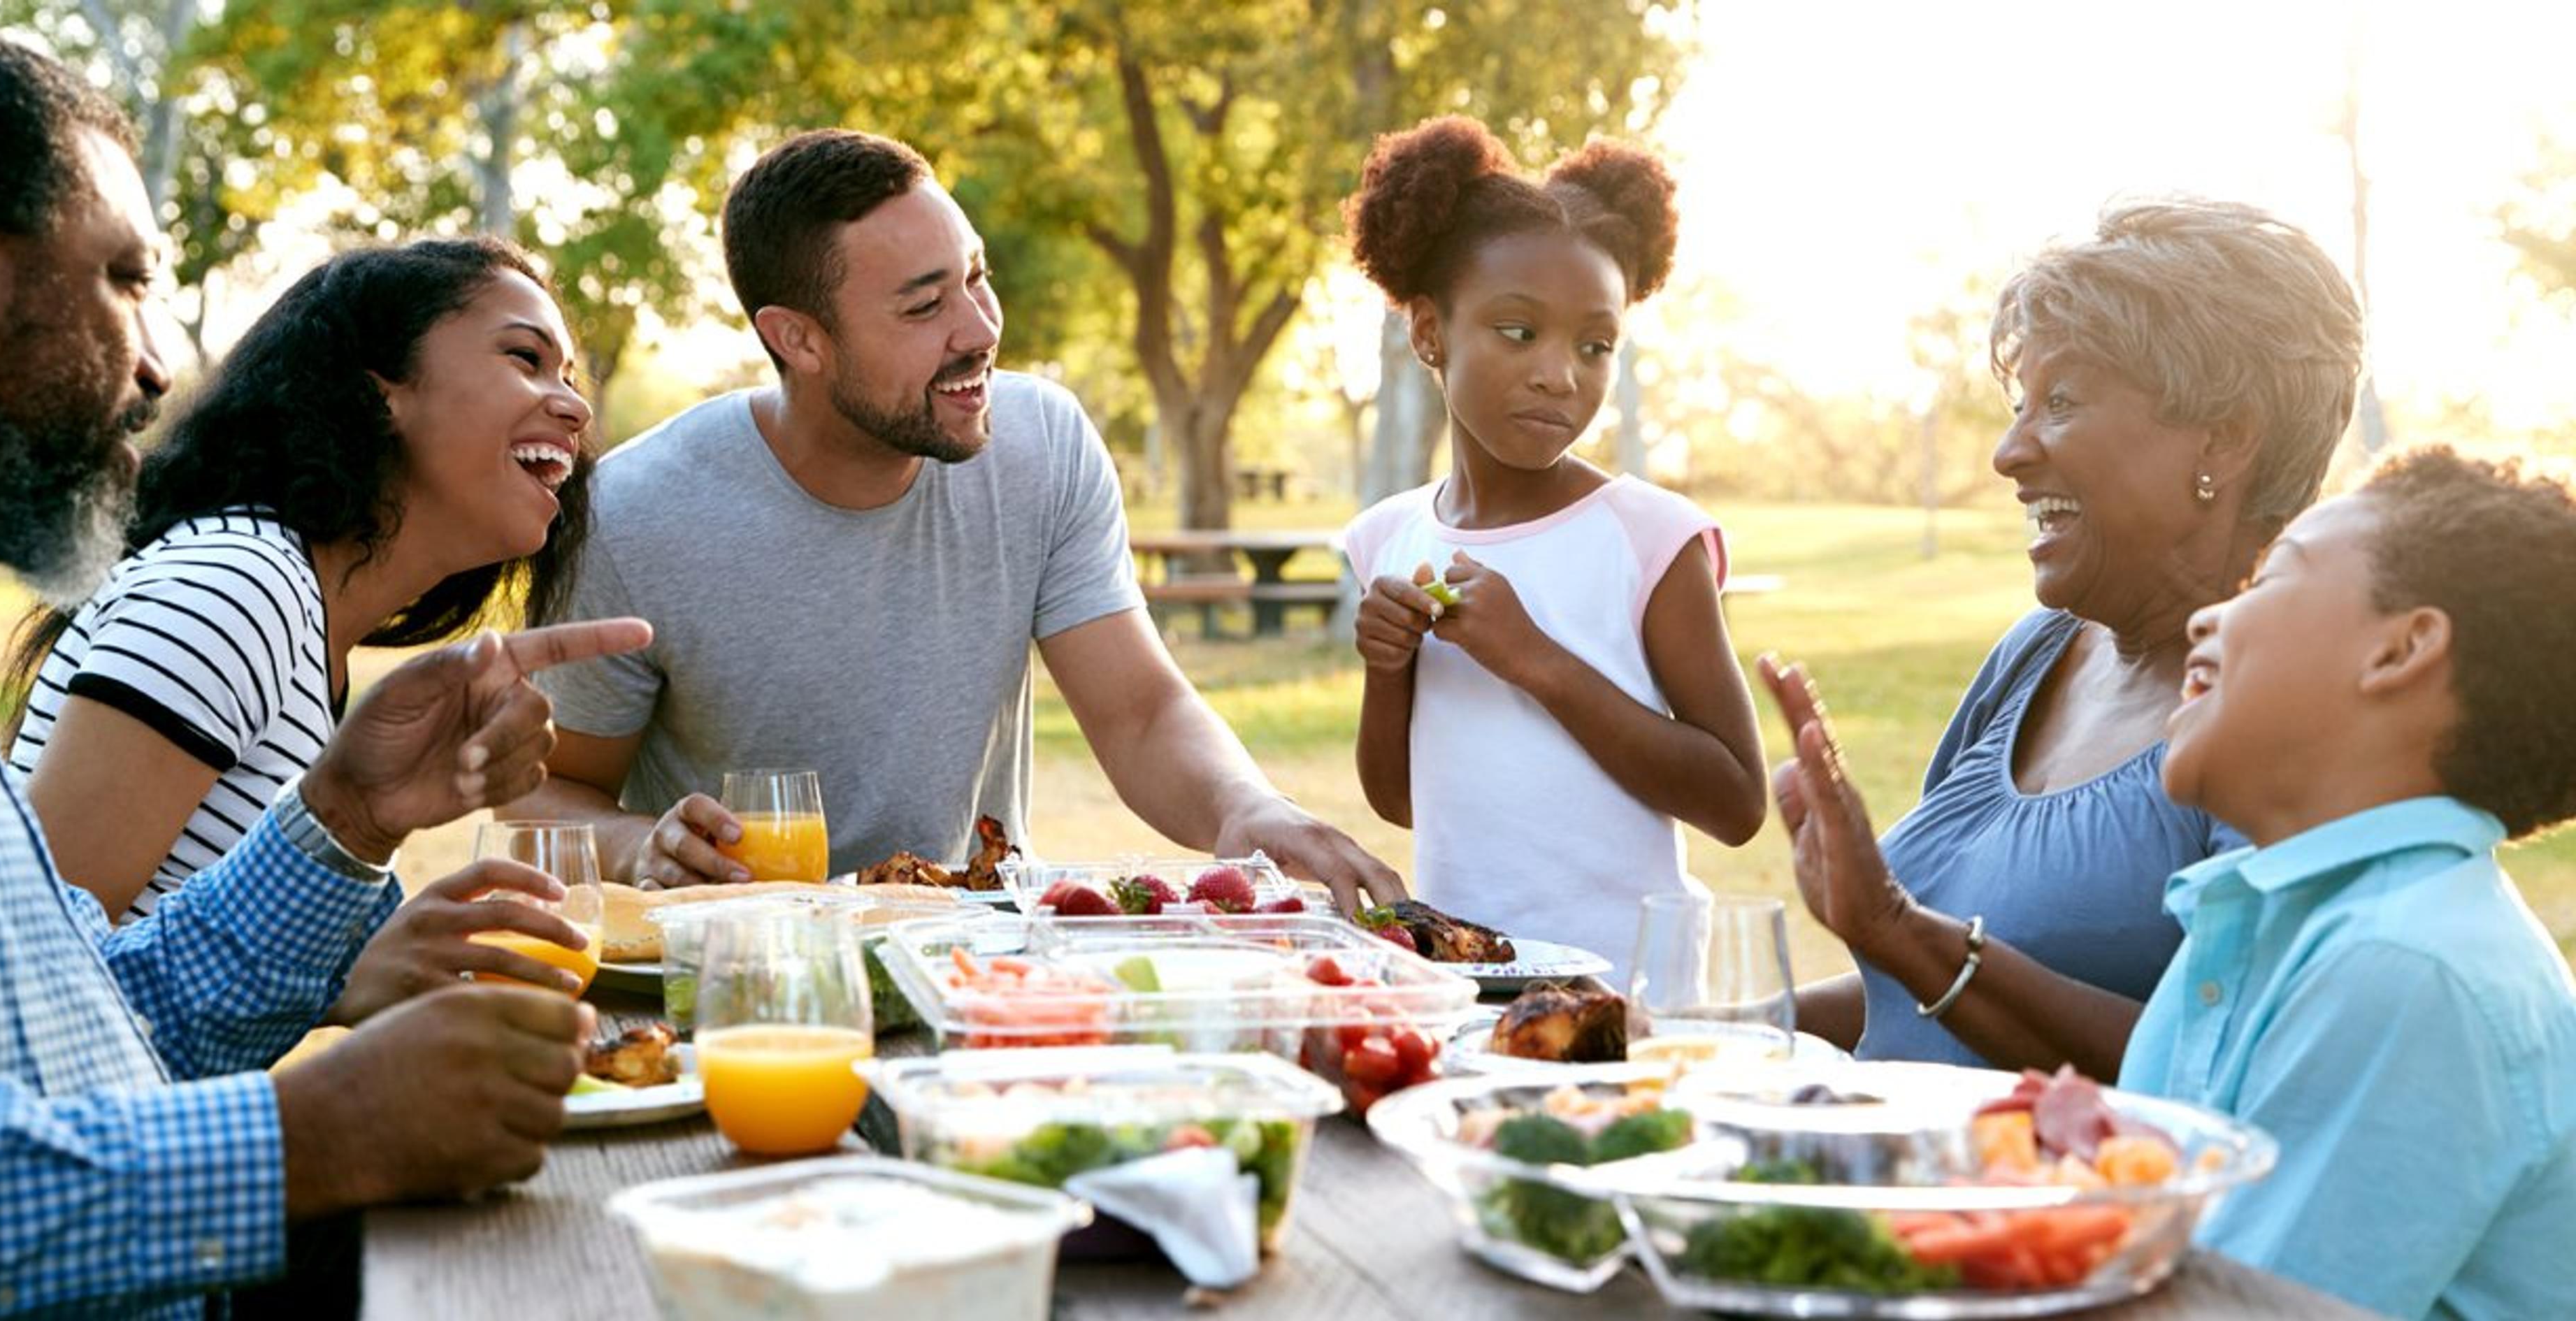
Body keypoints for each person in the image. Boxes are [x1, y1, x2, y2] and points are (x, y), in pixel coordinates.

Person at [0, 19, 649, 1313]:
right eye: (125, 280)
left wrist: (341, 824)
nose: (153, 359)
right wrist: (306, 1138)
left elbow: (70, 1021)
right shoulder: (237, 584)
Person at [510, 129, 1405, 908]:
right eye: (925, 304)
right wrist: (642, 847)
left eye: (977, 277)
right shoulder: (632, 517)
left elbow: (1138, 713)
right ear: (800, 339)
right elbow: (543, 800)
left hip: (977, 959)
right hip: (746, 985)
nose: (979, 328)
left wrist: (1247, 808)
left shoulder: (1042, 444)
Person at [1779, 447, 2576, 1318]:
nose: (2208, 621)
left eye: (2272, 579)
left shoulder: (2412, 969)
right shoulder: (2262, 921)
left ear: (2400, 650)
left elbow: (2210, 1304)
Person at [1758, 198, 2364, 1074]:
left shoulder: (2286, 714)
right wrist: (1696, 1028)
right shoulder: (2037, 653)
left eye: (2063, 401)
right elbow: (1915, 992)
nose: (2008, 452)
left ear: (2225, 441)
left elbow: (2231, 1070)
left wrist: (1898, 927)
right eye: (2020, 404)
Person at [1, 236, 595, 953]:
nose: (574, 409)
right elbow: (24, 959)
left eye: (569, 377)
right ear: (382, 392)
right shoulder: (233, 591)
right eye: (525, 359)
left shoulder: (302, 624)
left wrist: (366, 969)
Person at [1337, 117, 1765, 973]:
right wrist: (1389, 669)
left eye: (1594, 345)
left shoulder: (1650, 539)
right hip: (1465, 976)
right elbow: (1402, 800)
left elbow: (1736, 801)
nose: (1559, 375)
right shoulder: (1389, 538)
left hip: (1629, 995)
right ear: (1429, 332)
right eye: (1519, 332)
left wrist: (1536, 660)